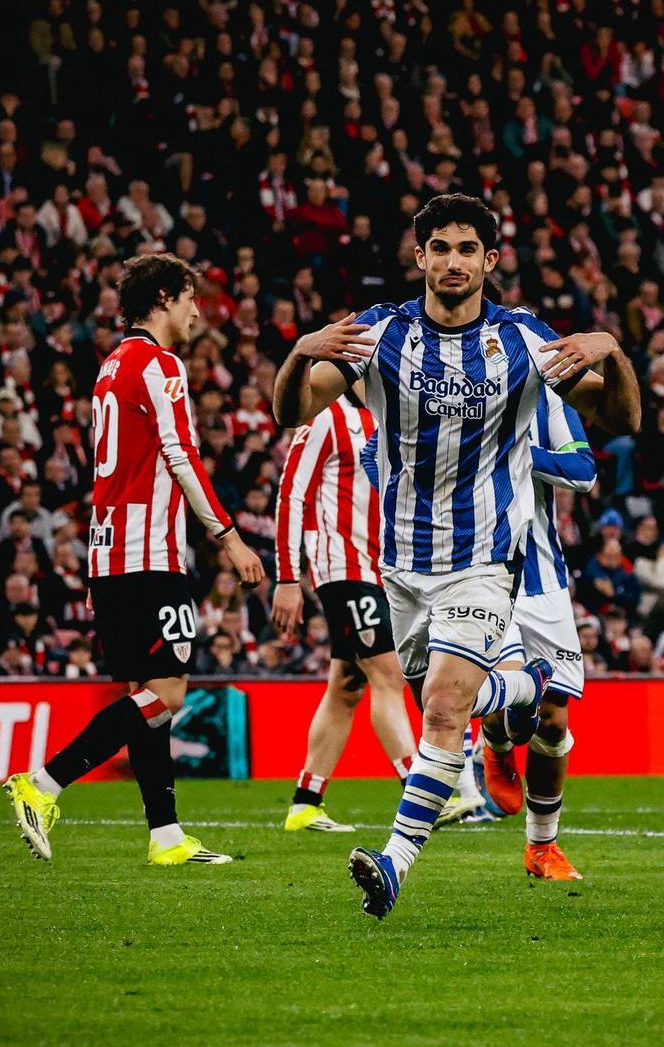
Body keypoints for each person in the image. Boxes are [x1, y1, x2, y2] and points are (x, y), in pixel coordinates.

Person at [273, 193, 640, 918]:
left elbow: (621, 418)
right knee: (440, 695)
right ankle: (526, 687)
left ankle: (394, 864)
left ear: (489, 262)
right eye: (439, 248)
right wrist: (297, 354)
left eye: (466, 250)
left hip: (484, 557)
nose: (452, 262)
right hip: (401, 566)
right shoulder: (378, 334)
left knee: (444, 710)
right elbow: (292, 412)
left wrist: (615, 352)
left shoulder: (524, 341)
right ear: (420, 257)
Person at [2, 253, 263, 866]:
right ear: (166, 297)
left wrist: (99, 564)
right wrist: (228, 536)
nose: (198, 311)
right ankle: (43, 783)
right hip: (151, 554)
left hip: (112, 554)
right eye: (191, 298)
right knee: (169, 694)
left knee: (146, 697)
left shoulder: (110, 366)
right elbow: (182, 455)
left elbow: (110, 474)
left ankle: (166, 836)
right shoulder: (160, 364)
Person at [271, 393, 417, 832]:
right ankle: (424, 790)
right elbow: (290, 495)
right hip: (342, 567)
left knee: (345, 687)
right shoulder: (324, 418)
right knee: (387, 674)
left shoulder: (387, 417)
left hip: (383, 570)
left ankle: (306, 802)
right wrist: (286, 575)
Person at [477, 385, 597, 882]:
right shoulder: (444, 393)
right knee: (513, 699)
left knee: (552, 724)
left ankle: (541, 848)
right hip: (475, 572)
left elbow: (583, 471)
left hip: (542, 580)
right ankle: (495, 737)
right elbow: (382, 458)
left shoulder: (547, 398)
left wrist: (507, 448)